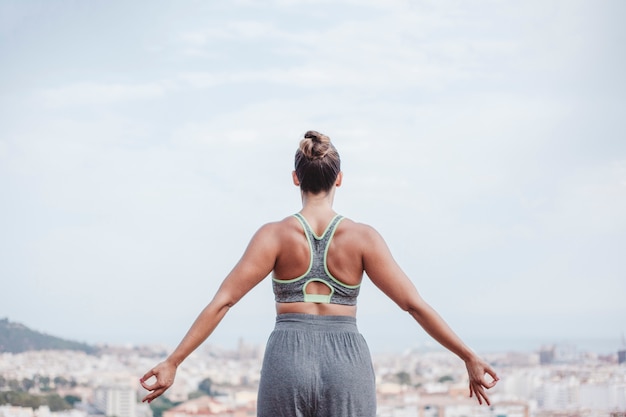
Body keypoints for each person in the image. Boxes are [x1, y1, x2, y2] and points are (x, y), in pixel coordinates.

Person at [140, 130, 499, 416]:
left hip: (287, 356)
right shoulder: (363, 238)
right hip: (347, 361)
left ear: (296, 177)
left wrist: (174, 361)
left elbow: (223, 301)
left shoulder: (274, 236)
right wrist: (468, 356)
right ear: (339, 179)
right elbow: (414, 305)